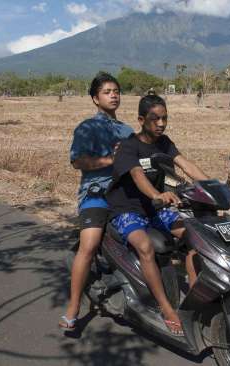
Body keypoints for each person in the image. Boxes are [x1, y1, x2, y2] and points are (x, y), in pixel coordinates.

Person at [106, 94, 208, 335]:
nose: (161, 124)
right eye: (155, 119)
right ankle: (167, 308)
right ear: (141, 120)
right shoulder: (129, 147)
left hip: (154, 208)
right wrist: (156, 194)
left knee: (197, 237)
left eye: (164, 118)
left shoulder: (164, 142)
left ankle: (195, 298)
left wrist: (214, 186)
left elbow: (187, 165)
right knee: (144, 247)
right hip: (127, 209)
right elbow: (137, 176)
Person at [60, 73, 134, 330]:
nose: (113, 95)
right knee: (89, 245)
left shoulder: (128, 130)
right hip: (97, 193)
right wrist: (110, 161)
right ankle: (74, 306)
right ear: (95, 98)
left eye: (116, 91)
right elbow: (77, 162)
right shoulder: (87, 128)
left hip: (126, 194)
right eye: (107, 91)